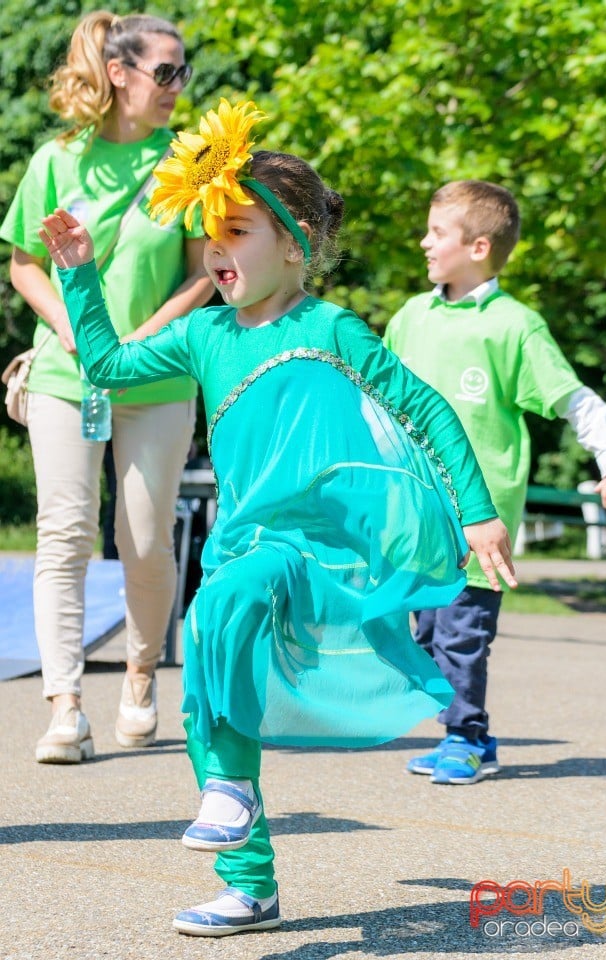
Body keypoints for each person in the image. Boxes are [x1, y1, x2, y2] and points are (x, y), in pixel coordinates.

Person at [39, 98, 517, 936]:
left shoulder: (331, 327)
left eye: (239, 233)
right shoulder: (204, 336)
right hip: (243, 542)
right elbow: (109, 364)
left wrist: (477, 516)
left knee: (223, 607)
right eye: (210, 237)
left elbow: (429, 411)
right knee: (207, 688)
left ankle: (227, 798)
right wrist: (79, 272)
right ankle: (250, 880)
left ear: (293, 242)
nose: (218, 253)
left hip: (317, 551)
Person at [0, 11, 213, 763]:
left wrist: (150, 332)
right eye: (165, 72)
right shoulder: (57, 161)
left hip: (156, 376)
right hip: (68, 375)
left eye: (183, 71)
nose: (177, 87)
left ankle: (141, 673)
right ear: (119, 73)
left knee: (145, 539)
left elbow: (204, 273)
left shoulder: (187, 164)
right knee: (62, 534)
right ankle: (64, 706)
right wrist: (65, 323)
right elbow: (24, 261)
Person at [383, 180, 606, 785]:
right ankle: (464, 732)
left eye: (436, 232)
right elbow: (372, 402)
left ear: (477, 247)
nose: (423, 241)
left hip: (481, 525)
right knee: (423, 636)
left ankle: (467, 737)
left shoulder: (515, 327)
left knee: (463, 634)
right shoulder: (409, 317)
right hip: (415, 519)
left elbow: (580, 403)